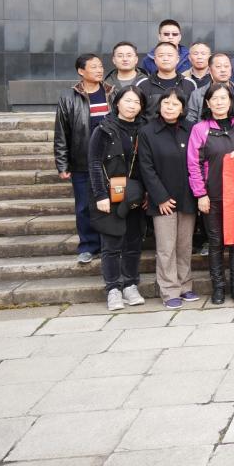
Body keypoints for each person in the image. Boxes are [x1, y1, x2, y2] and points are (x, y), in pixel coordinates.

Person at [188, 83, 234, 305]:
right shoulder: (200, 129)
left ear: (230, 101)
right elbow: (194, 164)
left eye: (223, 98)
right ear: (207, 103)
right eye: (214, 99)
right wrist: (200, 194)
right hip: (213, 194)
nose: (219, 102)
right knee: (216, 242)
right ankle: (218, 287)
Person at [88, 86, 146, 312]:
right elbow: (94, 163)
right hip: (109, 195)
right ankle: (113, 289)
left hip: (135, 195)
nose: (132, 106)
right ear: (117, 102)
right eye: (128, 100)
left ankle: (130, 285)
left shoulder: (144, 129)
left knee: (133, 243)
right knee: (111, 245)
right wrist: (100, 194)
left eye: (137, 102)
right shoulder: (103, 129)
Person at [138, 88, 197, 308]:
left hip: (187, 196)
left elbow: (197, 160)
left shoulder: (191, 129)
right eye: (166, 103)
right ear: (159, 106)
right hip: (162, 200)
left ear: (182, 108)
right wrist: (160, 197)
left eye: (175, 104)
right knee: (166, 247)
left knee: (184, 245)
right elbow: (146, 167)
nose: (169, 108)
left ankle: (185, 285)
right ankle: (169, 290)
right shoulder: (148, 132)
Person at [55, 54, 113, 265]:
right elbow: (61, 132)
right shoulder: (69, 97)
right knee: (84, 206)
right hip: (82, 160)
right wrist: (62, 163)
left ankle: (110, 245)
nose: (99, 70)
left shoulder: (112, 93)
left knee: (112, 204)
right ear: (81, 71)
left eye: (100, 66)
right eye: (93, 67)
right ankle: (89, 246)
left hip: (111, 160)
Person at [186, 52, 234, 127]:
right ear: (209, 70)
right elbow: (190, 122)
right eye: (218, 66)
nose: (223, 70)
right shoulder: (197, 95)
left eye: (226, 66)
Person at [136, 42, 196, 118]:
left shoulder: (189, 84)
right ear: (155, 60)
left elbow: (192, 115)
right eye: (161, 55)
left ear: (177, 59)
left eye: (170, 55)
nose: (165, 59)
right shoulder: (143, 84)